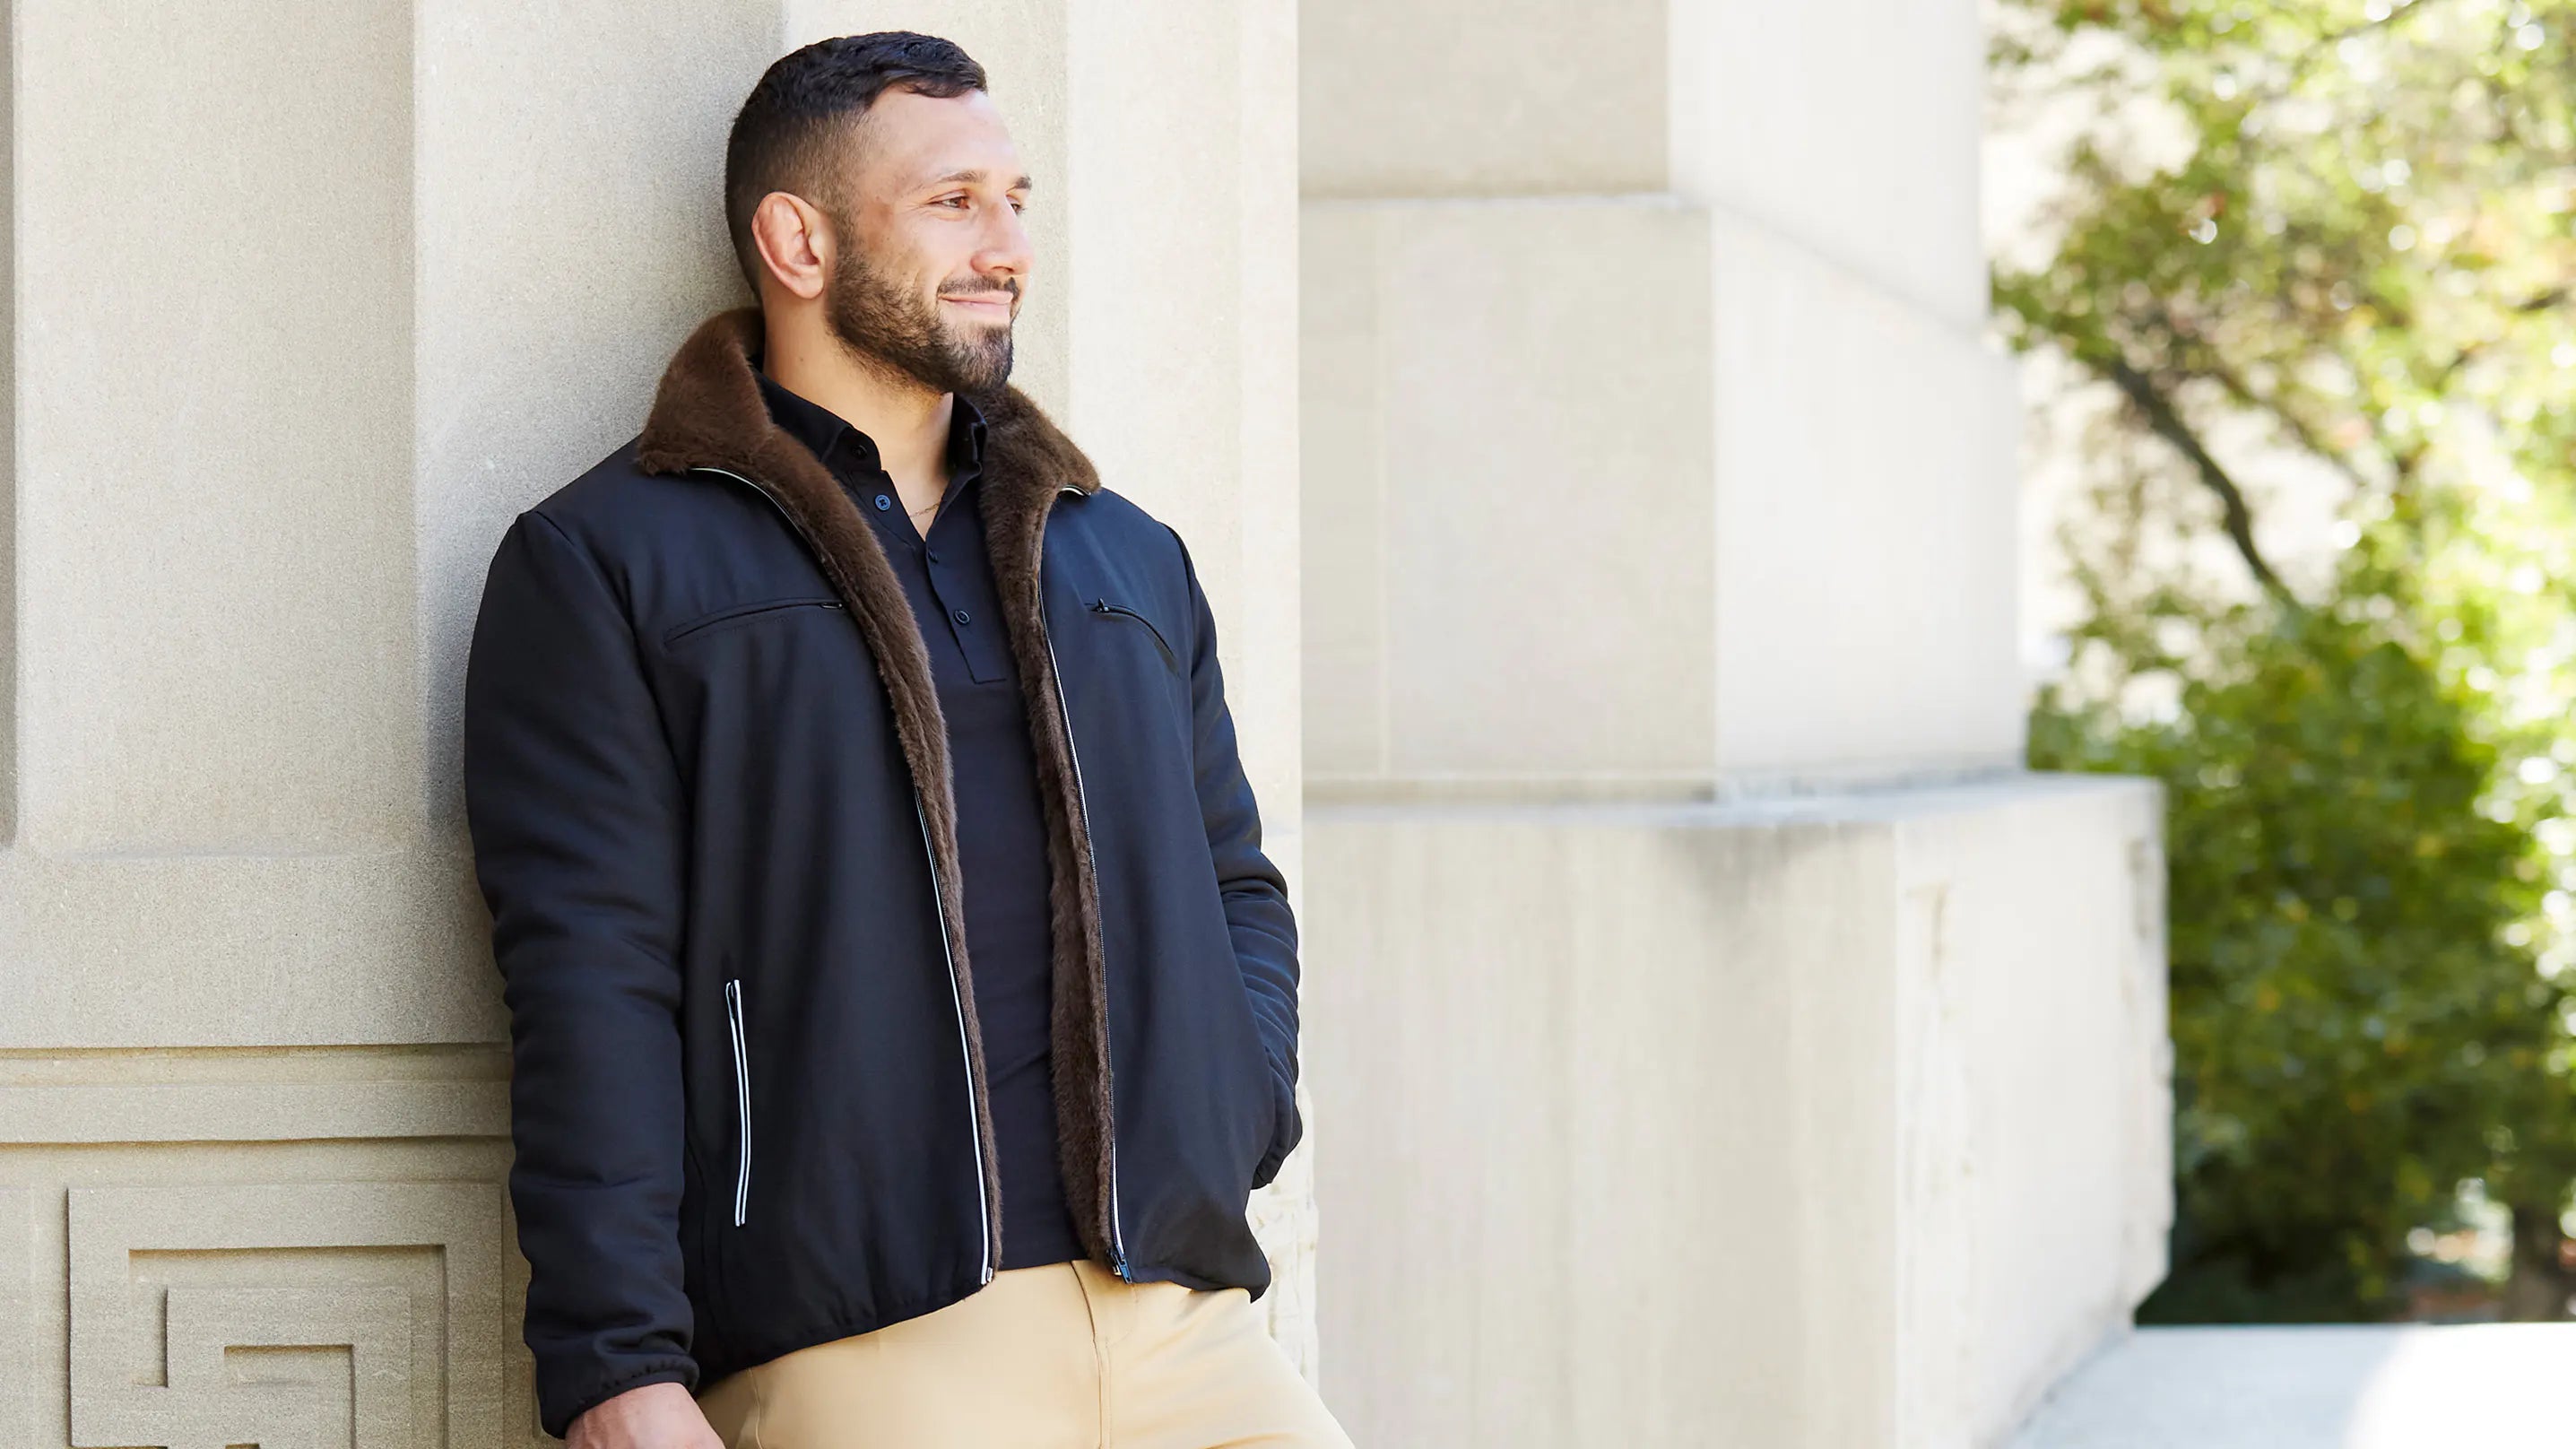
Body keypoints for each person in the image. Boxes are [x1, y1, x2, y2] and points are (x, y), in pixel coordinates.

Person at [461, 31, 1349, 1449]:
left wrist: (1237, 1105)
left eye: (1017, 200)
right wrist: (615, 1365)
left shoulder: (1120, 553)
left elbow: (1233, 880)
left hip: (1183, 1323)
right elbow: (588, 976)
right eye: (952, 202)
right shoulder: (610, 562)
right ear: (796, 241)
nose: (1007, 247)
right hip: (872, 1343)